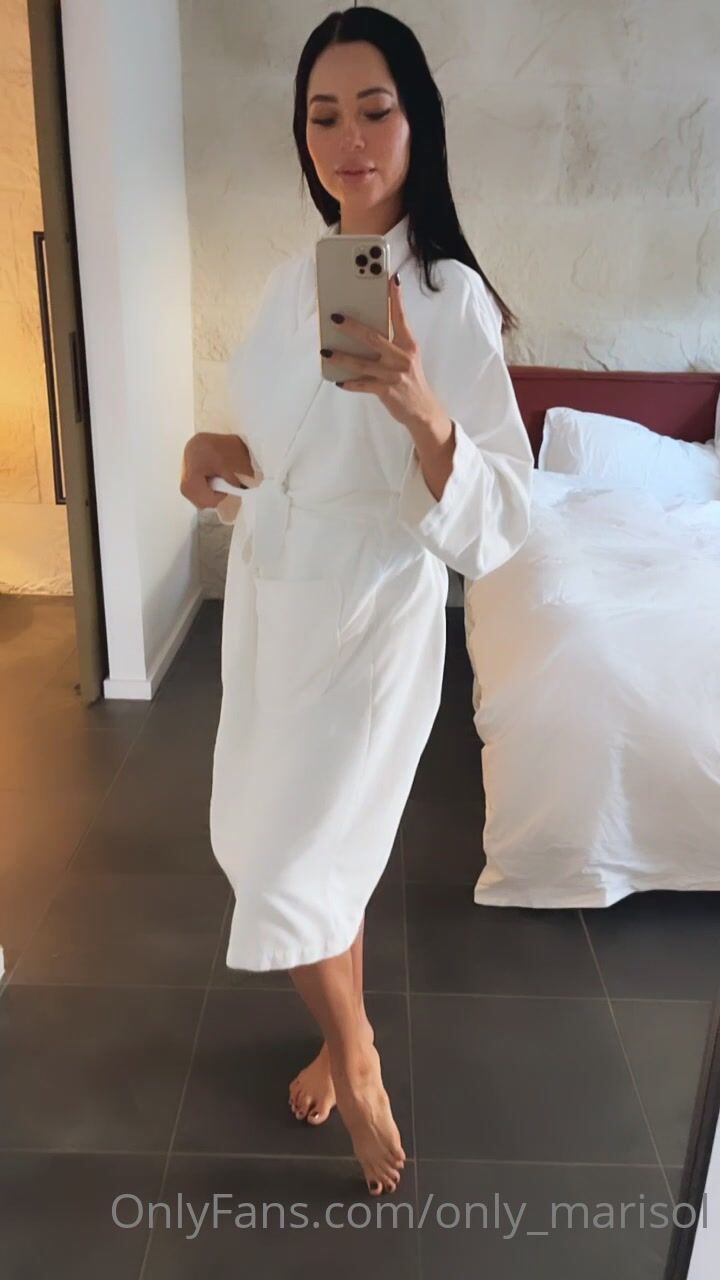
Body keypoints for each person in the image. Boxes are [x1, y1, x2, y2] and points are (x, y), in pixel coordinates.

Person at [180, 6, 534, 1198]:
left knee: (285, 857)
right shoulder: (298, 283)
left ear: (416, 121)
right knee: (313, 847)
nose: (349, 140)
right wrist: (218, 448)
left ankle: (359, 1053)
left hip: (370, 619)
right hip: (276, 602)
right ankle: (340, 1035)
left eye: (374, 110)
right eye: (322, 116)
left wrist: (426, 411)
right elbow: (292, 448)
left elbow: (502, 518)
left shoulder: (450, 300)